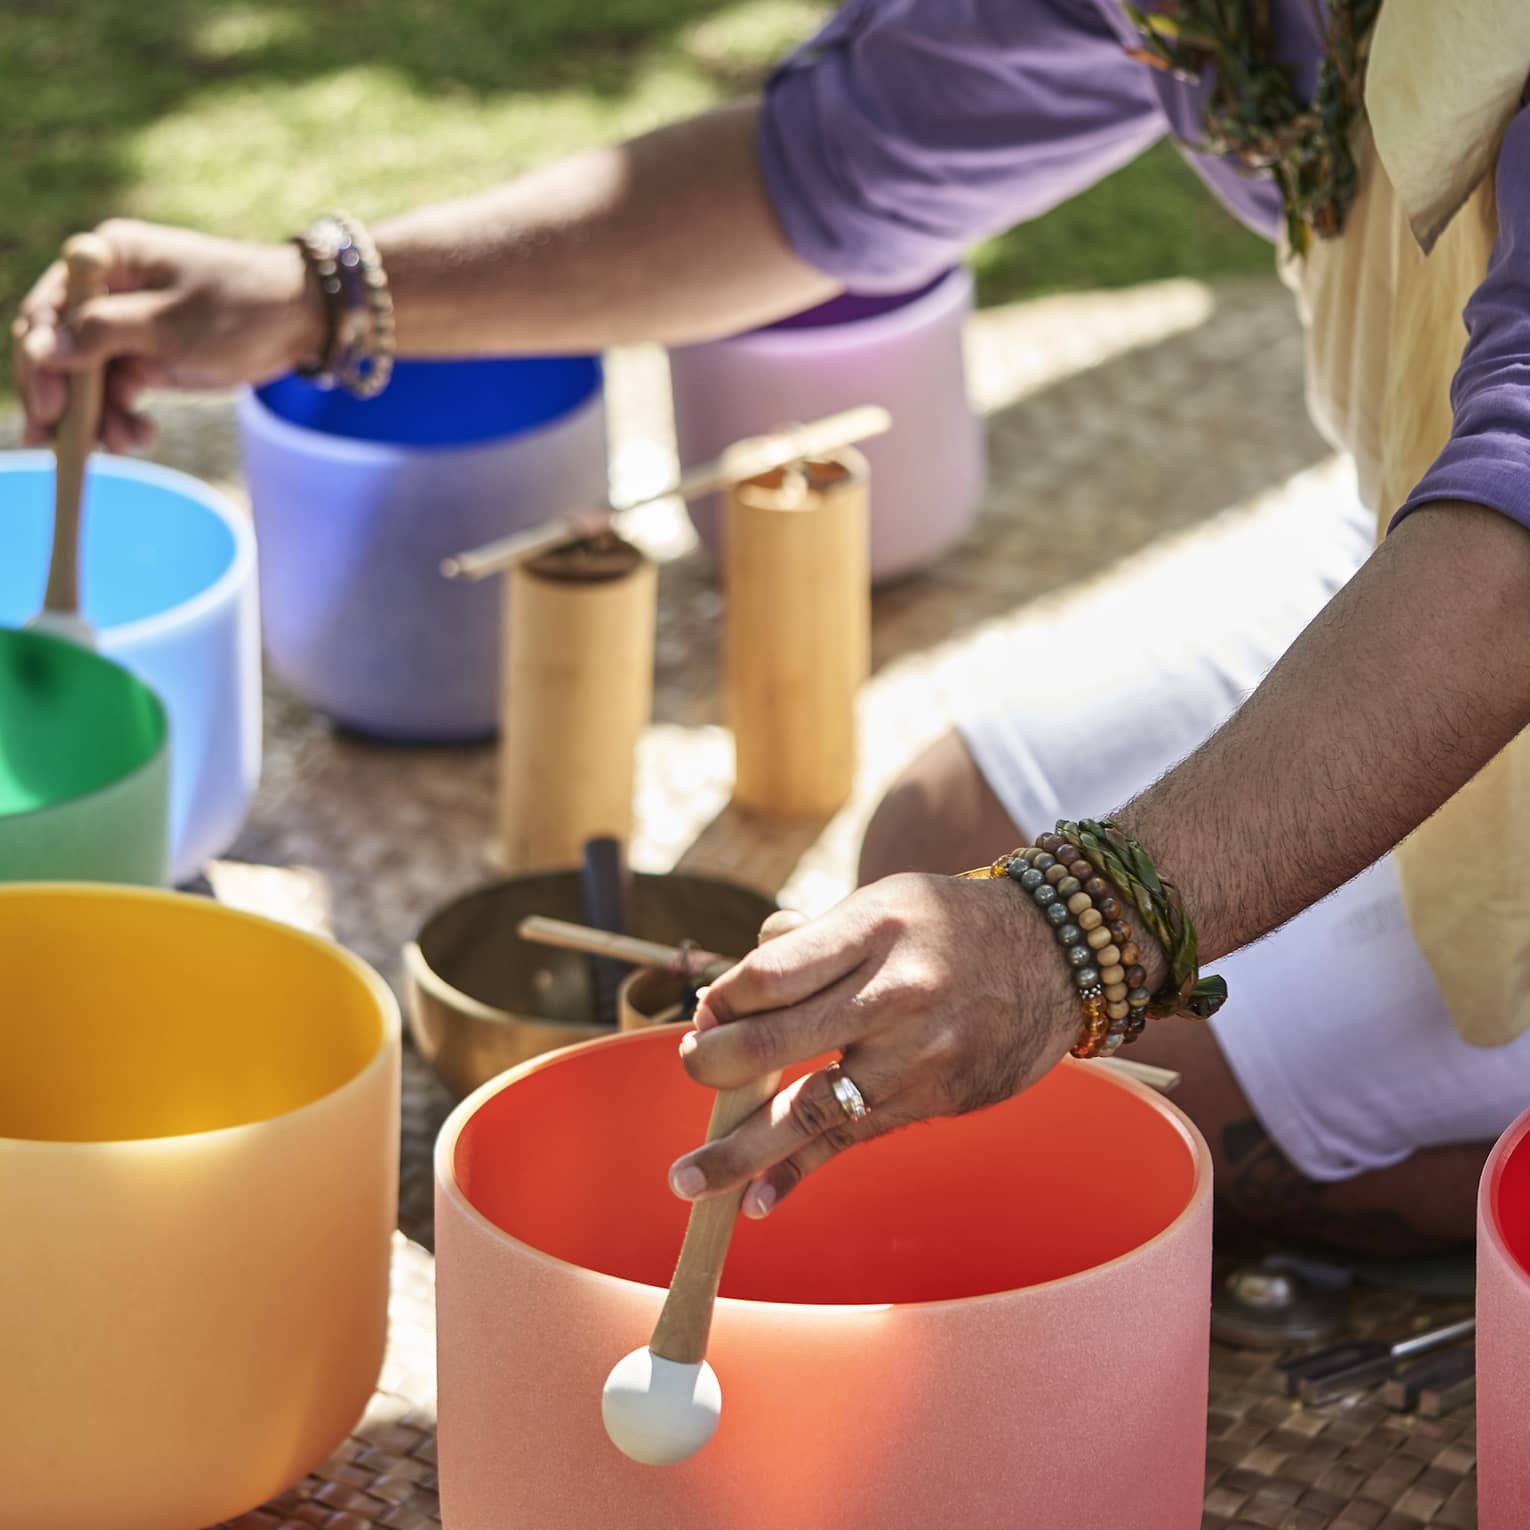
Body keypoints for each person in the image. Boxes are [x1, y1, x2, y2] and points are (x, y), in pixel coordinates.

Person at [16, 0, 1530, 1256]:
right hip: (1433, 514)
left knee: (1119, 1104)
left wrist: (1076, 934)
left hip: (1496, 567)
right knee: (934, 851)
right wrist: (320, 297)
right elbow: (829, 170)